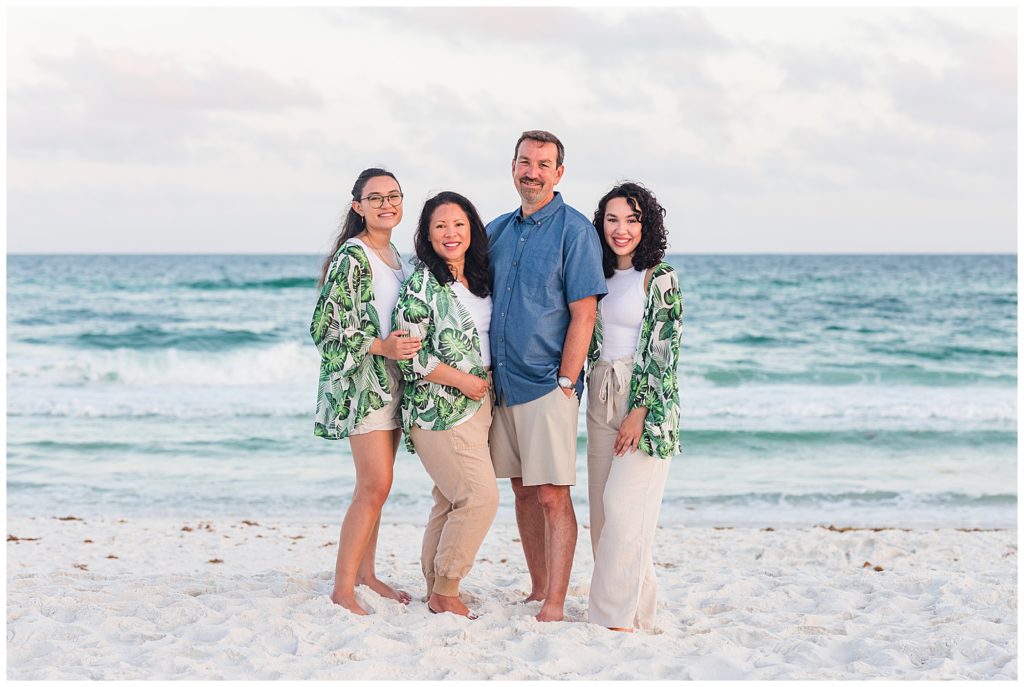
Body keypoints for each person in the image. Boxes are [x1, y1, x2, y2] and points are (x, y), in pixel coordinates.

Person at [487, 130, 607, 622]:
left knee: (552, 494)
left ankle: (556, 602)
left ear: (559, 173)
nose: (531, 171)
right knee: (520, 488)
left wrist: (565, 382)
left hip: (546, 386)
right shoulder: (494, 230)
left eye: (542, 164)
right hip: (502, 386)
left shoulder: (575, 232)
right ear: (512, 167)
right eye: (524, 162)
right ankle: (538, 588)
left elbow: (585, 314)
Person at [310, 167, 421, 615]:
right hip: (364, 385)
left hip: (394, 381)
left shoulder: (396, 255)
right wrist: (380, 346)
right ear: (357, 206)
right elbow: (323, 327)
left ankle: (366, 573)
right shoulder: (353, 257)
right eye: (375, 198)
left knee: (377, 486)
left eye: (393, 196)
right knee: (374, 485)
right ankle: (342, 588)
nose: (386, 204)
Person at [392, 191, 498, 620]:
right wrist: (467, 382)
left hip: (479, 406)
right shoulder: (422, 284)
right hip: (439, 409)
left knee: (448, 499)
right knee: (478, 498)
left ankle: (435, 586)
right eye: (440, 226)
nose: (451, 233)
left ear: (471, 227)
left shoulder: (479, 279)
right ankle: (447, 589)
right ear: (427, 236)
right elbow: (410, 354)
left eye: (458, 224)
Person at [584, 181, 683, 632]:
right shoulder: (597, 274)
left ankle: (612, 621)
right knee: (604, 517)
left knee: (625, 510)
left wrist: (638, 412)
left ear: (648, 225)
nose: (621, 229)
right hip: (600, 390)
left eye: (632, 219)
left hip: (645, 401)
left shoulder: (658, 277)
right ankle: (638, 612)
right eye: (612, 219)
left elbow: (665, 352)